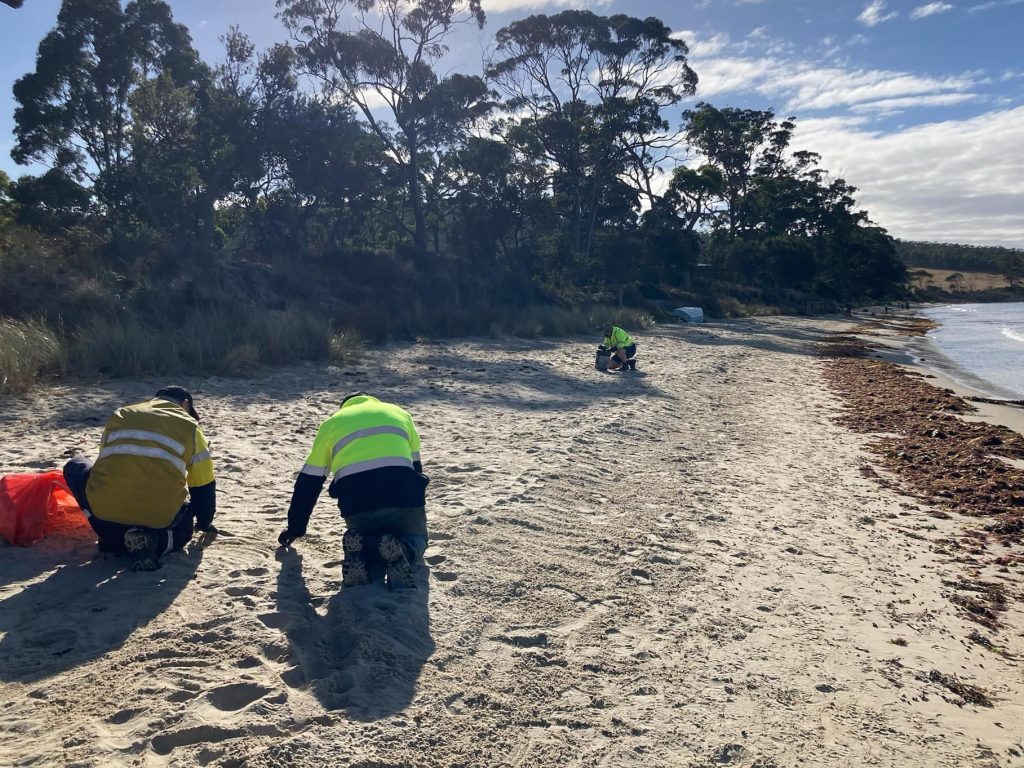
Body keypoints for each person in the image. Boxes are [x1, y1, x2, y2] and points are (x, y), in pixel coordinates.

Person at [277, 392, 429, 589]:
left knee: (368, 536)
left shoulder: (331, 424)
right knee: (418, 538)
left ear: (344, 408)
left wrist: (295, 529)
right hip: (403, 495)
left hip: (357, 503)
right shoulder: (399, 413)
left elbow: (308, 482)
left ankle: (362, 549)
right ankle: (404, 549)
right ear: (374, 401)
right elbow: (416, 468)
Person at [62, 386, 217, 571]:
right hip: (159, 514)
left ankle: (112, 536)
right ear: (185, 405)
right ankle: (155, 542)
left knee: (75, 466)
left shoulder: (122, 414)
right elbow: (203, 486)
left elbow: (104, 464)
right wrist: (203, 522)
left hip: (106, 511)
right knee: (183, 527)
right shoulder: (191, 427)